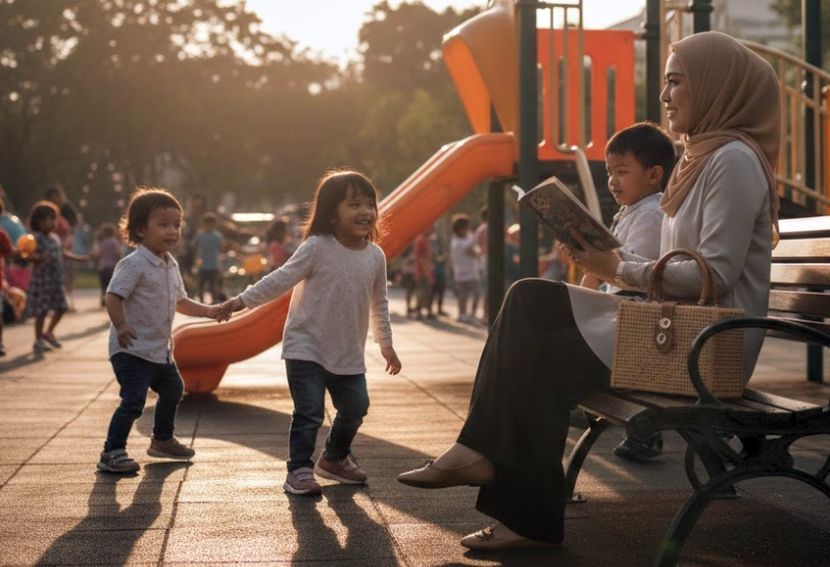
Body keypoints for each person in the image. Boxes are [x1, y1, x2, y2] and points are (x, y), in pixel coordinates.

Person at [397, 31, 780, 551]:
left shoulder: (732, 161)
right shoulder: (700, 158)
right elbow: (678, 272)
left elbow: (714, 273)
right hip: (677, 331)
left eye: (675, 83)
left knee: (543, 355)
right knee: (528, 298)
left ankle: (516, 506)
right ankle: (479, 454)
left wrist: (618, 268)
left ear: (715, 86)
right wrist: (610, 261)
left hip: (711, 348)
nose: (665, 97)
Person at [218, 170, 402, 496]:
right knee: (309, 412)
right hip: (306, 346)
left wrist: (385, 344)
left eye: (370, 204)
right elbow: (281, 279)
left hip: (347, 351)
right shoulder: (317, 247)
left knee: (356, 407)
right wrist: (240, 301)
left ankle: (333, 458)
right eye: (354, 204)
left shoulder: (375, 256)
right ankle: (299, 470)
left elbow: (380, 303)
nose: (365, 212)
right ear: (332, 214)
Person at [98, 188, 225, 474]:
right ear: (141, 230)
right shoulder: (133, 264)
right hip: (131, 350)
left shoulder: (171, 264)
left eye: (177, 225)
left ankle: (162, 440)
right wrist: (121, 325)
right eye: (163, 224)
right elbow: (113, 296)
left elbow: (180, 301)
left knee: (174, 389)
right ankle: (112, 451)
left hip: (159, 351)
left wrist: (208, 311)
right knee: (133, 401)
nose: (172, 231)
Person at [581, 121, 676, 461]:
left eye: (621, 171)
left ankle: (643, 431)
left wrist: (599, 265)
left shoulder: (652, 214)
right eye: (609, 171)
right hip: (624, 308)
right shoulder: (632, 211)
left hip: (638, 315)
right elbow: (608, 268)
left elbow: (631, 272)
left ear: (653, 175)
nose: (612, 180)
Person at [24, 201, 88, 353]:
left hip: (56, 281)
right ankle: (38, 339)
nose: (53, 223)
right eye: (49, 219)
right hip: (42, 282)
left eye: (54, 219)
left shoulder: (55, 238)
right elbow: (27, 255)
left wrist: (79, 258)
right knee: (42, 312)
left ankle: (49, 332)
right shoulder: (35, 238)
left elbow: (62, 253)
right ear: (38, 221)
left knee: (62, 308)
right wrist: (37, 258)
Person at [450, 214, 481, 324]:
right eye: (466, 227)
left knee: (470, 295)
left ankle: (468, 314)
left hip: (467, 272)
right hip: (466, 273)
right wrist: (476, 250)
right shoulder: (459, 242)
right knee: (467, 295)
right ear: (460, 229)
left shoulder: (463, 240)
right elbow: (474, 252)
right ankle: (465, 314)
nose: (467, 229)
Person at [193, 212, 225, 304]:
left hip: (213, 264)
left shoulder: (216, 236)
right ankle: (202, 302)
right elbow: (222, 247)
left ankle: (212, 302)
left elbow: (194, 247)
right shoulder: (214, 235)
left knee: (212, 285)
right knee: (202, 285)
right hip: (203, 264)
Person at [94, 223, 122, 307]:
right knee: (111, 285)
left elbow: (98, 254)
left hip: (103, 267)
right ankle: (109, 300)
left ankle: (103, 299)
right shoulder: (115, 242)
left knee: (103, 284)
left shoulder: (102, 243)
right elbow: (118, 253)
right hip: (112, 267)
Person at [413, 228, 435, 320]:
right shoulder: (421, 240)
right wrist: (426, 272)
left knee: (427, 292)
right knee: (422, 292)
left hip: (426, 270)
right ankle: (419, 312)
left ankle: (427, 311)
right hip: (422, 272)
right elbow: (421, 258)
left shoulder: (426, 240)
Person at [431, 229, 448, 316]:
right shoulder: (430, 241)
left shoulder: (439, 241)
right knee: (433, 291)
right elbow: (432, 256)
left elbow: (444, 255)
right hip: (433, 270)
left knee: (441, 290)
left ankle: (439, 309)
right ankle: (430, 310)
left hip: (440, 270)